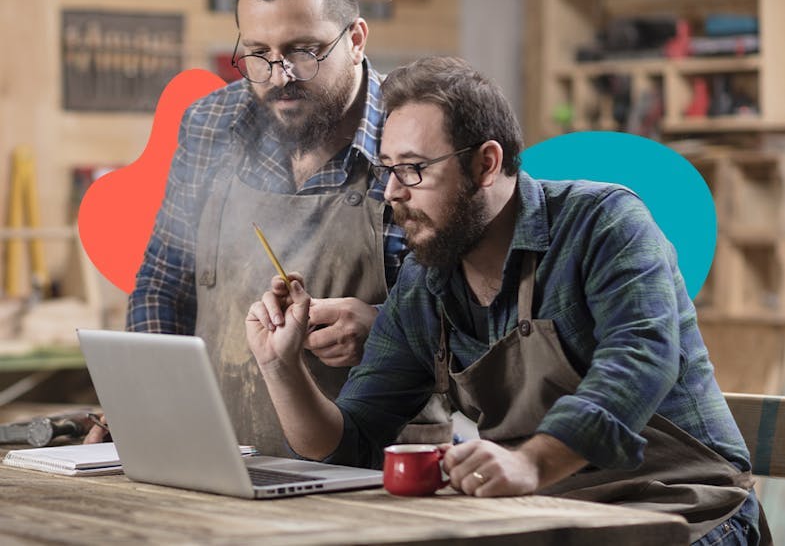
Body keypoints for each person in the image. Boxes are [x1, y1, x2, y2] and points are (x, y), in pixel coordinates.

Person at [246, 56, 766, 545]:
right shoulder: (425, 283)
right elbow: (352, 441)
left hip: (684, 512)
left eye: (413, 169)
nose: (392, 193)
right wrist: (281, 367)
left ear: (486, 164)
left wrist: (532, 463)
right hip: (548, 518)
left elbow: (640, 362)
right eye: (387, 169)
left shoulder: (605, 223)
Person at [86, 0, 451, 452]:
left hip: (377, 465)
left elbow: (472, 316)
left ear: (357, 39)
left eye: (304, 51)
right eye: (258, 54)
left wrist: (385, 329)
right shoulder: (210, 125)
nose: (280, 76)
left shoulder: (417, 140)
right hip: (223, 454)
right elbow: (164, 282)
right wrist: (146, 401)